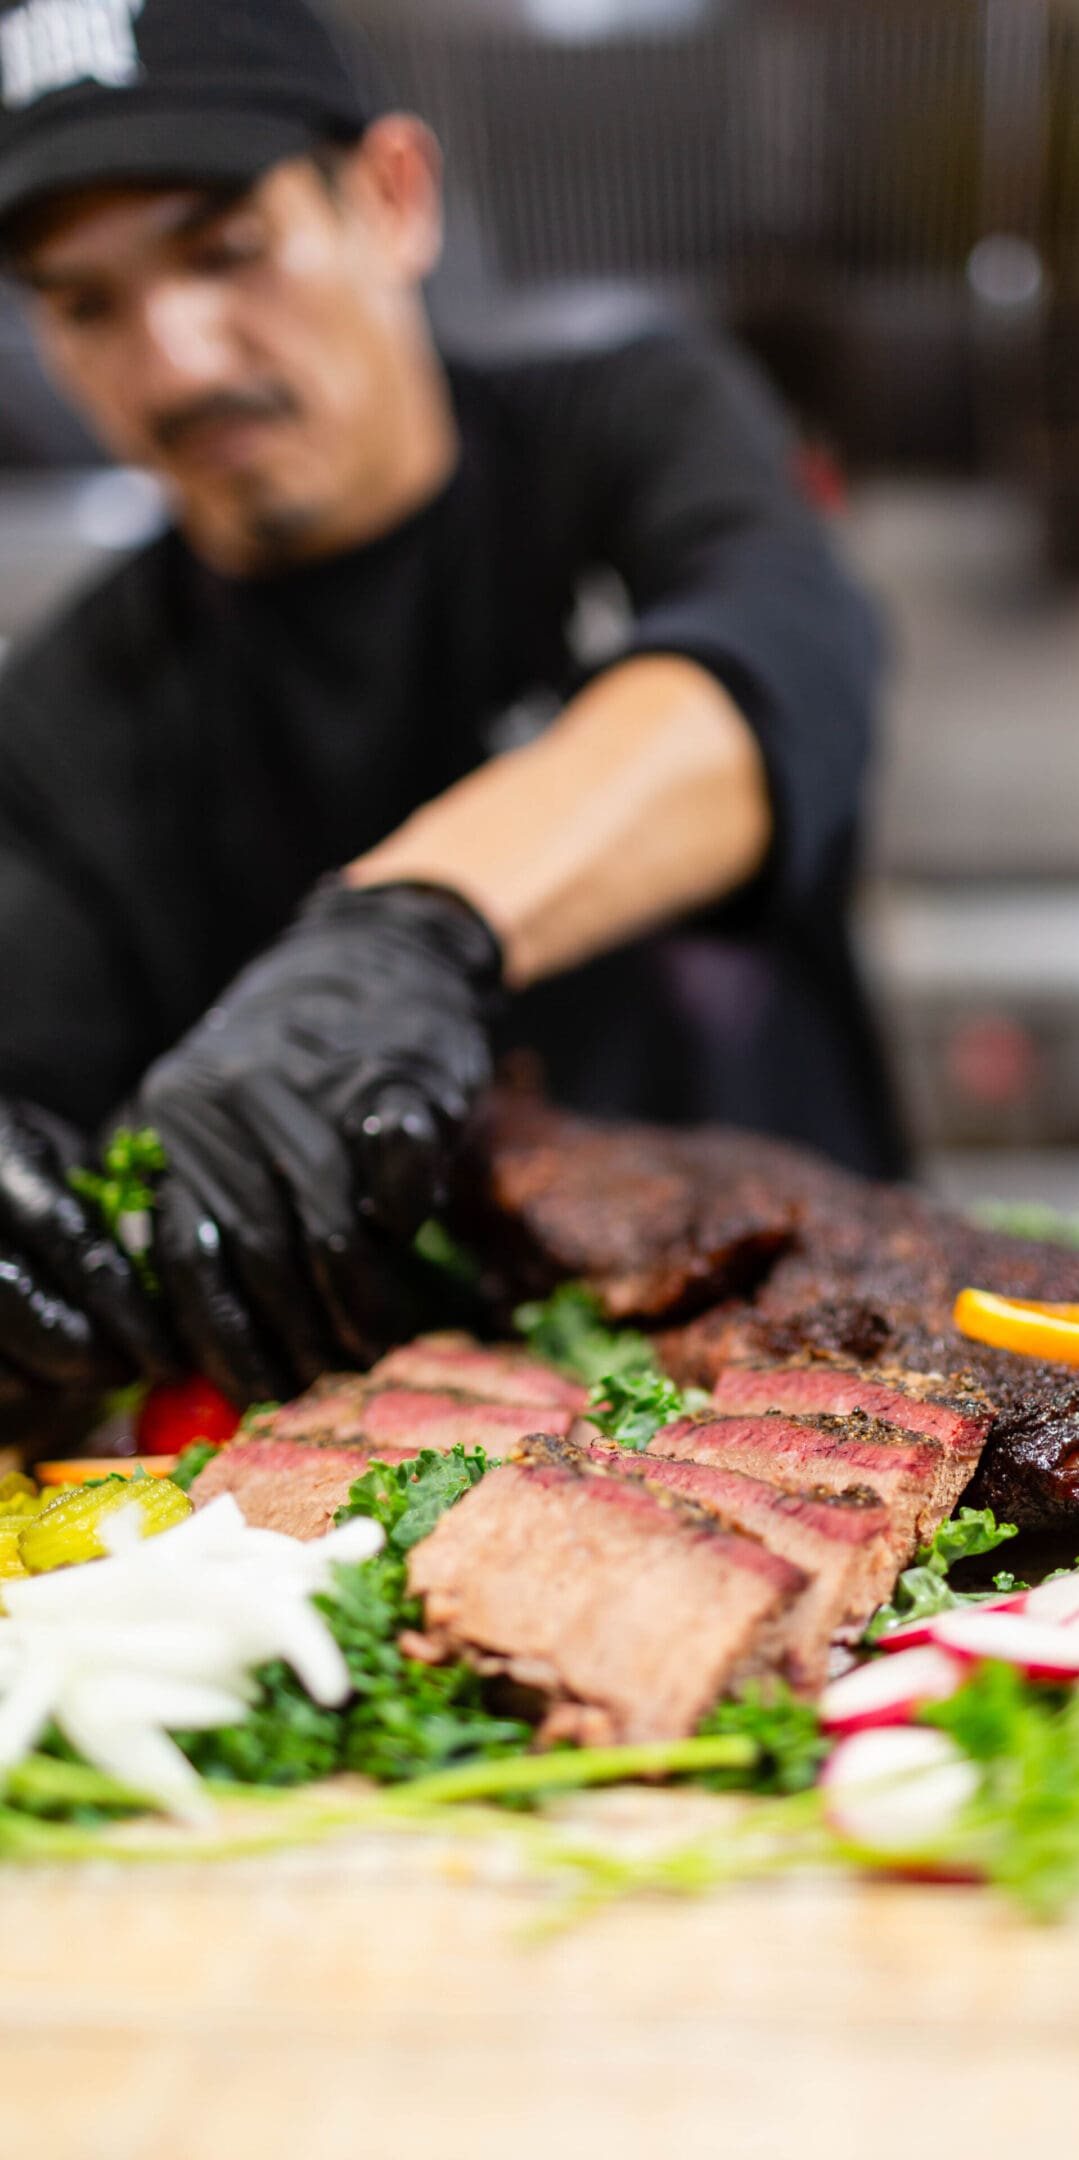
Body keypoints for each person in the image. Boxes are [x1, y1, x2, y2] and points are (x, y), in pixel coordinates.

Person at [0, 0, 900, 1413]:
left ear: (393, 199)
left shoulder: (623, 429)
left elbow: (776, 673)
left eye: (226, 249)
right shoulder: (64, 715)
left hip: (827, 1371)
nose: (173, 357)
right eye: (83, 301)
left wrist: (403, 941)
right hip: (352, 1488)